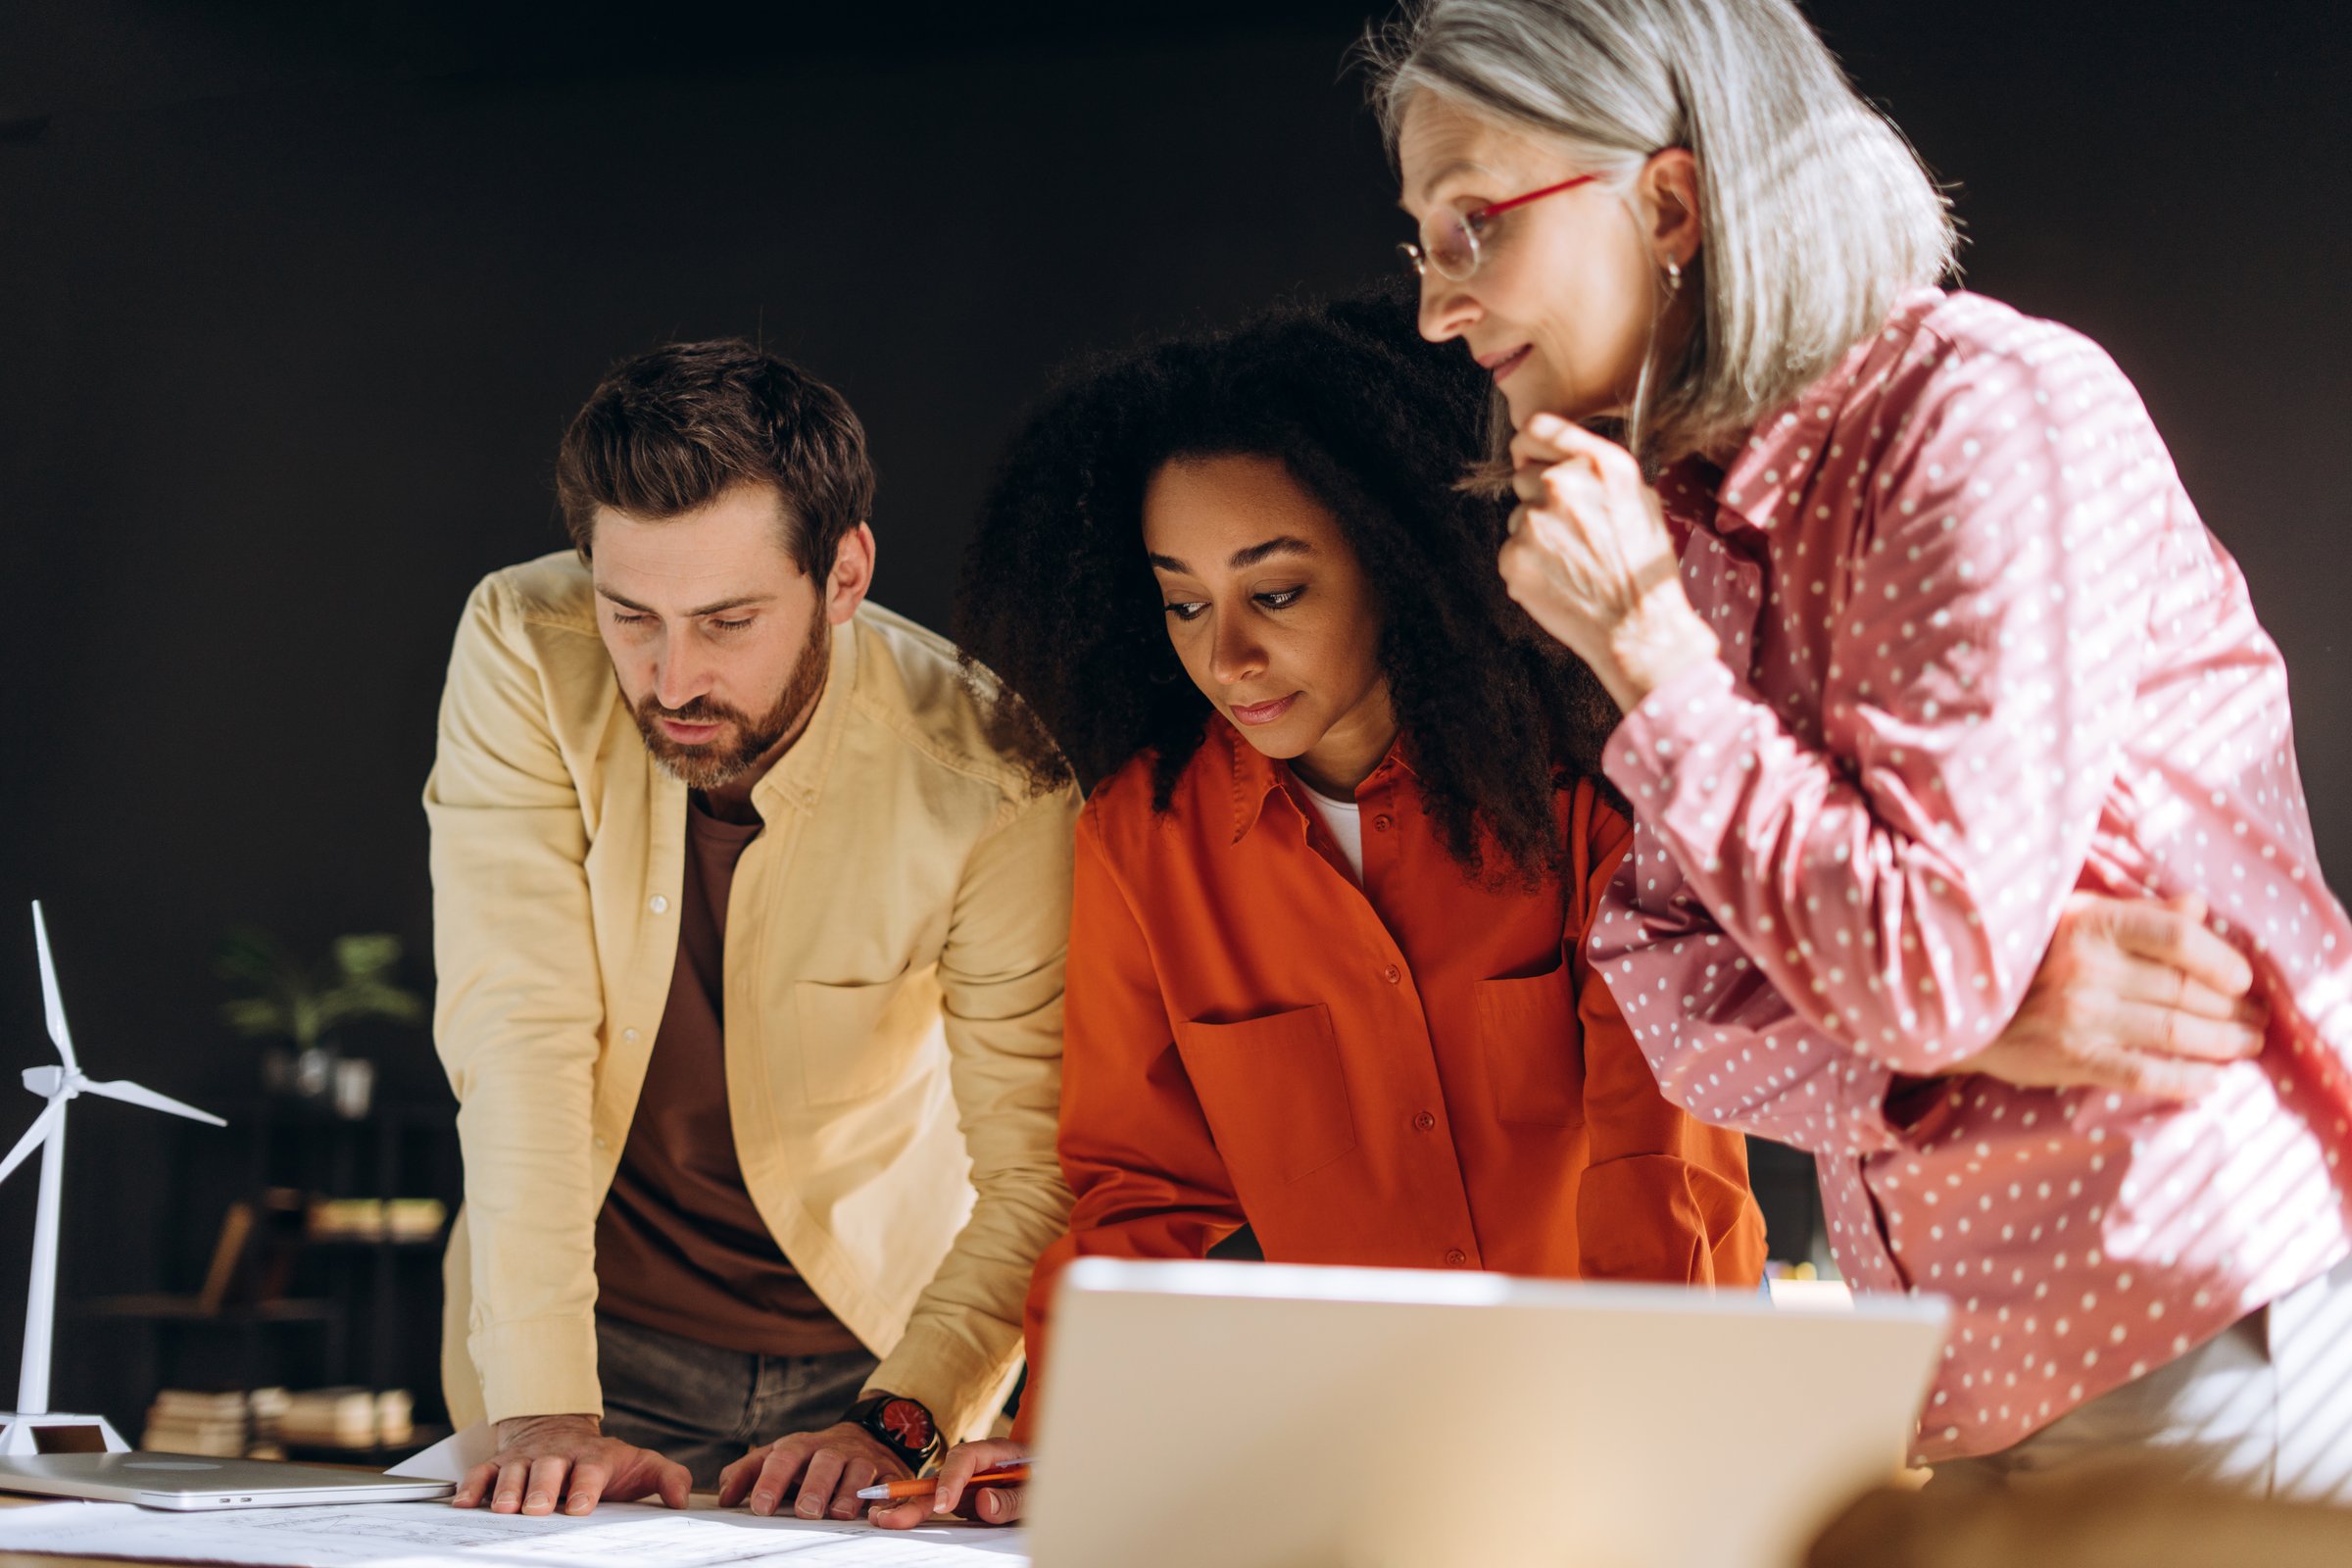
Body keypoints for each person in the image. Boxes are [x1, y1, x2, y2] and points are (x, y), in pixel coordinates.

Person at [1372, 0, 2352, 1496]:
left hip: (2183, 1316)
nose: (1439, 308)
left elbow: (1921, 966)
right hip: (1954, 1378)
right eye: (1422, 242)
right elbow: (1665, 978)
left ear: (1673, 201)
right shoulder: (1687, 524)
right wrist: (1951, 1050)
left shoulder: (1985, 413)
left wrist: (1649, 654)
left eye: (1470, 225)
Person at [872, 290, 1764, 1527]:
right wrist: (1066, 1439)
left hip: (1640, 1421)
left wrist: (1646, 1440)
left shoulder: (1590, 798)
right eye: (1183, 601)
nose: (1225, 654)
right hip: (1370, 1459)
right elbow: (1135, 1189)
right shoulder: (1143, 842)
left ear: (1396, 565)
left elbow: (1654, 1160)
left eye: (1276, 593)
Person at [423, 340, 1076, 1519]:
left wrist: (904, 1415)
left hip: (877, 1353)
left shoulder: (996, 776)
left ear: (843, 573)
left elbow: (1039, 1168)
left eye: (728, 620)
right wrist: (539, 1403)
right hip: (575, 1347)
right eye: (632, 614)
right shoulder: (523, 643)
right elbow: (518, 1033)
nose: (673, 677)